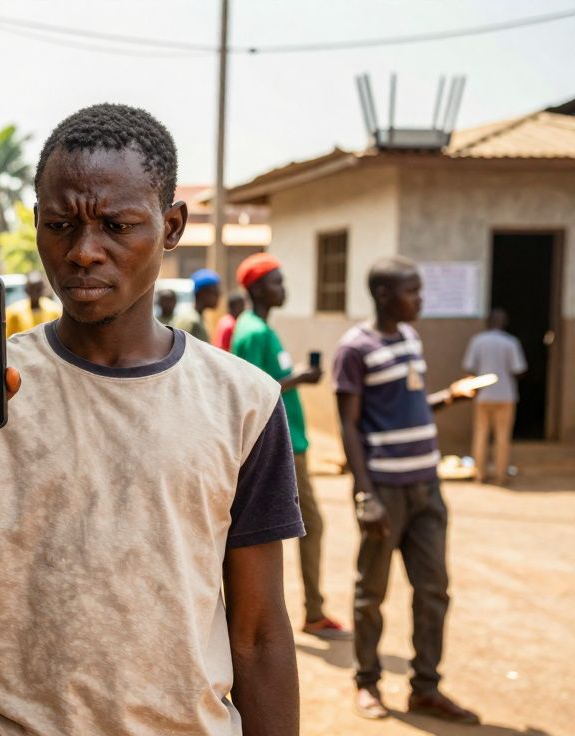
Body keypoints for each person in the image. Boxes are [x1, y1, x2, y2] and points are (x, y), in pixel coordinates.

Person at [0, 103, 302, 735]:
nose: (83, 252)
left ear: (172, 225)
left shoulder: (243, 400)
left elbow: (261, 632)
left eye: (116, 224)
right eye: (59, 225)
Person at [334, 256, 480, 724]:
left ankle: (425, 688)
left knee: (434, 589)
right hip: (386, 491)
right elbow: (350, 427)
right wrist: (366, 494)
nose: (420, 299)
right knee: (371, 593)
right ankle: (367, 682)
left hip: (426, 488)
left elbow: (407, 406)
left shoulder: (411, 339)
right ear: (383, 295)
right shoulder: (355, 348)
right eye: (412, 291)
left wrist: (447, 398)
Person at [232, 252, 348, 642]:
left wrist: (294, 378)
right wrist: (295, 378)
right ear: (259, 287)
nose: (284, 289)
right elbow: (248, 391)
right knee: (308, 525)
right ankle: (309, 613)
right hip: (278, 445)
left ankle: (307, 610)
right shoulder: (253, 332)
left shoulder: (263, 329)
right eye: (278, 282)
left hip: (293, 441)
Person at [463, 308, 527, 485]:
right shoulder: (510, 342)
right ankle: (500, 475)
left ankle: (479, 474)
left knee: (481, 433)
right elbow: (518, 369)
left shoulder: (478, 341)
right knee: (502, 435)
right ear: (503, 323)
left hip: (483, 395)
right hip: (505, 395)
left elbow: (469, 367)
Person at [5, 271, 62, 336]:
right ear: (26, 290)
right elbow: (7, 338)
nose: (35, 292)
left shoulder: (54, 310)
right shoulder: (13, 312)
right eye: (32, 288)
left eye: (38, 289)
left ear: (43, 289)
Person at [171, 268, 221, 342]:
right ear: (202, 294)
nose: (218, 296)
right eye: (215, 292)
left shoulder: (198, 318)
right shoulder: (189, 320)